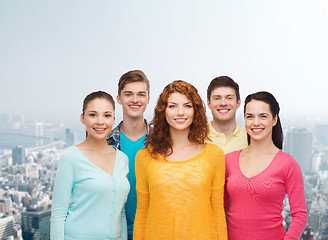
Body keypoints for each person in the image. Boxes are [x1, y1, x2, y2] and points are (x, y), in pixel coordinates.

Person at [133, 80, 227, 240]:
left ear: (195, 111)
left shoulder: (214, 155)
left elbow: (218, 212)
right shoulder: (144, 157)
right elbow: (142, 212)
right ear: (163, 111)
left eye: (187, 106)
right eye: (172, 106)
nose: (180, 112)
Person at [224, 91, 308, 239]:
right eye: (250, 117)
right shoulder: (228, 161)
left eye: (263, 116)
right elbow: (220, 209)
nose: (256, 123)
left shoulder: (288, 164)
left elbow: (300, 215)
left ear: (274, 119)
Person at [51, 91, 130, 240]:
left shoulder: (122, 159)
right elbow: (58, 214)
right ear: (83, 118)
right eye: (93, 115)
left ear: (113, 119)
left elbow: (121, 212)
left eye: (106, 115)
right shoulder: (71, 157)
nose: (100, 121)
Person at [107, 70, 150, 240]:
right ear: (119, 99)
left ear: (147, 99)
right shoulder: (106, 142)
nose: (134, 100)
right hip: (114, 233)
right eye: (128, 94)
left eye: (141, 94)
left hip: (153, 231)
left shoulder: (163, 143)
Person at [206, 76, 248, 154]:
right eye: (217, 98)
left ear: (238, 103)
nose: (223, 103)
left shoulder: (250, 139)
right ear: (208, 104)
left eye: (229, 98)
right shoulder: (197, 138)